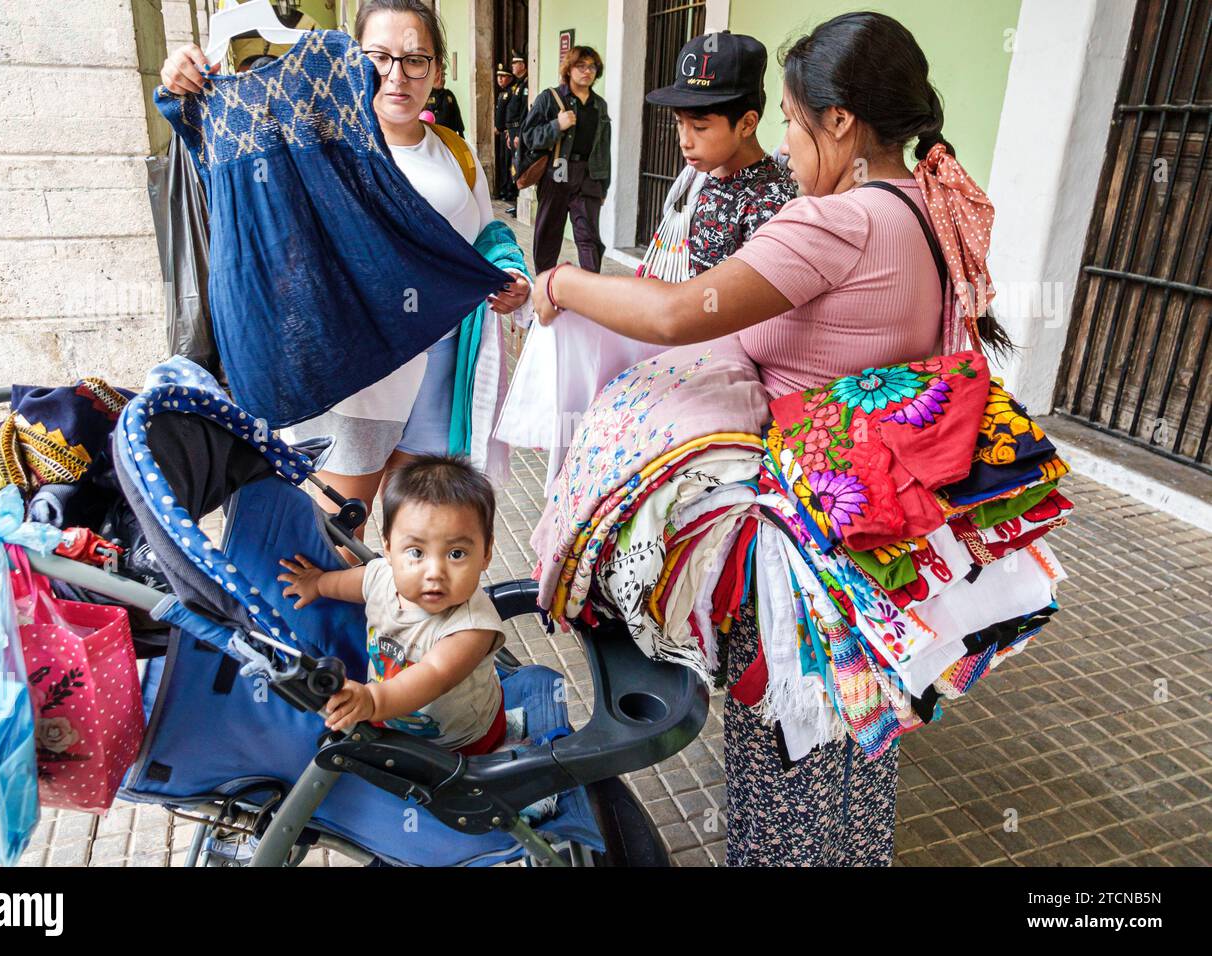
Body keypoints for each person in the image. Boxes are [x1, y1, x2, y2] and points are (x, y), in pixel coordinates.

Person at [531, 12, 1013, 866]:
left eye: (792, 120)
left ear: (840, 121)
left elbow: (680, 312)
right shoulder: (926, 205)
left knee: (787, 749)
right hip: (876, 531)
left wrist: (564, 280)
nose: (786, 147)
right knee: (855, 742)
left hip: (804, 537)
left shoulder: (837, 221)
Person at [160, 0, 532, 525]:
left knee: (417, 533)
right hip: (356, 378)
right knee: (339, 538)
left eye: (415, 59)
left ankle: (391, 610)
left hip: (442, 373)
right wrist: (183, 84)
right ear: (350, 64)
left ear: (437, 71)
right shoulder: (312, 145)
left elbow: (485, 234)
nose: (395, 75)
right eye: (377, 57)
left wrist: (512, 276)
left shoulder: (454, 149)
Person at [277, 455, 508, 755]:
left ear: (487, 553)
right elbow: (353, 583)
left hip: (460, 740)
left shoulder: (471, 628)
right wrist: (317, 584)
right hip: (389, 708)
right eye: (415, 552)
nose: (434, 571)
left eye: (456, 554)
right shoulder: (381, 576)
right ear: (388, 548)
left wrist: (374, 700)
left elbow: (434, 675)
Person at [646, 31, 797, 276]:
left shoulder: (769, 201)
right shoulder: (703, 174)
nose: (684, 141)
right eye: (679, 123)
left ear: (747, 124)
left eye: (700, 127)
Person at [519, 45, 611, 273]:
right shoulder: (549, 99)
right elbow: (529, 136)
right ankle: (543, 285)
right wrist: (556, 126)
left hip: (588, 177)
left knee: (589, 238)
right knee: (548, 235)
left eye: (592, 67)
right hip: (556, 175)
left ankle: (591, 292)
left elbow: (603, 149)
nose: (587, 71)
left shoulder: (599, 106)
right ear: (569, 69)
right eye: (581, 66)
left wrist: (603, 187)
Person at [500, 52, 529, 209]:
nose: (512, 66)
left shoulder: (526, 84)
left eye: (515, 63)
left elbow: (525, 111)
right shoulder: (518, 84)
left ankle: (518, 201)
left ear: (523, 65)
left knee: (517, 164)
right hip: (513, 130)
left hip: (518, 130)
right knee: (513, 164)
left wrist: (518, 133)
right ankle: (516, 199)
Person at [493, 64, 515, 199]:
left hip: (508, 132)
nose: (500, 79)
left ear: (510, 78)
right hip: (502, 133)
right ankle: (504, 188)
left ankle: (510, 190)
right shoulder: (503, 93)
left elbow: (513, 113)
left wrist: (507, 128)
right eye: (498, 76)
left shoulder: (512, 92)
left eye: (503, 76)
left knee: (509, 162)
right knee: (502, 160)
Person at [425, 66, 464, 137]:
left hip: (450, 136)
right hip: (432, 136)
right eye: (439, 76)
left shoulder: (449, 94)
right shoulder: (424, 95)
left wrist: (461, 133)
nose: (442, 79)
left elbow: (457, 114)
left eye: (443, 75)